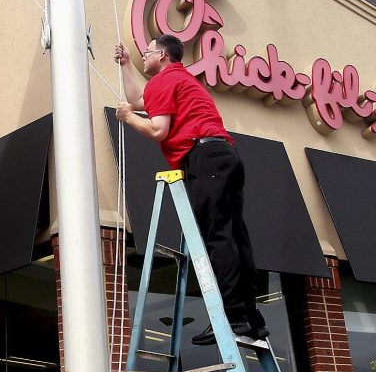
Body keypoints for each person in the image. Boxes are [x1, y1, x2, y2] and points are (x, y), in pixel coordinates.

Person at [114, 34, 267, 345]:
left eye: (148, 51)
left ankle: (233, 318)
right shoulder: (179, 80)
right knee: (235, 235)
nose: (144, 55)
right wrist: (127, 65)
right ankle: (251, 320)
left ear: (163, 55)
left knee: (217, 236)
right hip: (224, 154)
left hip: (204, 157)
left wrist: (128, 118)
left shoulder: (164, 80)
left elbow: (157, 129)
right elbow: (140, 100)